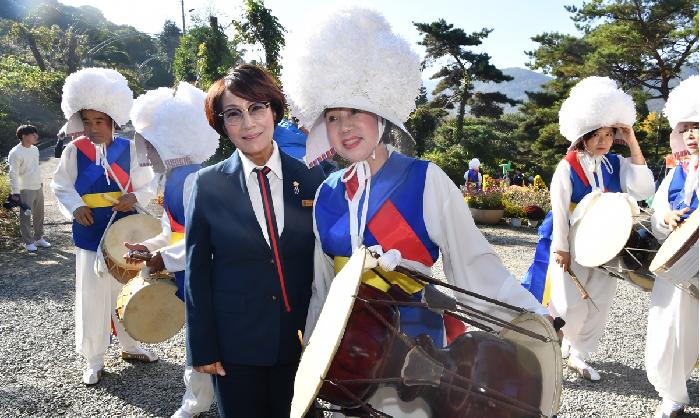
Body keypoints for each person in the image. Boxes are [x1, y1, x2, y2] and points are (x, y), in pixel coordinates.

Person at [281, 6, 551, 416]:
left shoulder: (426, 180)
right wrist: (316, 361)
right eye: (333, 117)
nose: (345, 126)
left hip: (421, 359)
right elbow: (323, 290)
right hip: (350, 363)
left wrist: (532, 316)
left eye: (356, 110)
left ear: (381, 112)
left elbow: (475, 264)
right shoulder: (327, 195)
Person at [185, 64, 325, 418]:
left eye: (256, 108)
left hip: (300, 340)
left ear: (274, 110)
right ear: (221, 124)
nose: (248, 124)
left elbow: (323, 259)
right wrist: (202, 347)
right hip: (235, 347)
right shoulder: (208, 184)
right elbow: (196, 270)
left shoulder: (310, 176)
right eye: (234, 114)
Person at [522, 76, 655, 382]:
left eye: (609, 134)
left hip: (609, 243)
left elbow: (644, 187)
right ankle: (555, 342)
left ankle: (579, 355)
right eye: (597, 134)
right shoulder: (567, 166)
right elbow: (558, 209)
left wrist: (631, 138)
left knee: (599, 302)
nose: (604, 141)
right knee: (569, 304)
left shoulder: (615, 165)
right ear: (583, 134)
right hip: (573, 242)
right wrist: (562, 248)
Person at [51, 68, 157, 385]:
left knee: (127, 290)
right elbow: (60, 185)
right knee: (92, 294)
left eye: (99, 121)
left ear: (112, 120)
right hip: (88, 232)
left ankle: (130, 344)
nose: (93, 127)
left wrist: (134, 197)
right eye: (87, 121)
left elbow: (148, 185)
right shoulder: (75, 150)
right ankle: (94, 358)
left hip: (123, 231)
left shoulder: (130, 149)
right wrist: (77, 206)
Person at [123, 82, 220, 418]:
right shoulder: (173, 179)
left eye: (150, 146)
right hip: (190, 270)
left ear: (167, 143)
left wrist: (163, 257)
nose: (146, 154)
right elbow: (172, 233)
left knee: (204, 338)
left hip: (207, 274)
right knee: (202, 337)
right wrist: (147, 247)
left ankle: (196, 404)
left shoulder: (194, 179)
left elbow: (206, 240)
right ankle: (200, 399)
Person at [646, 75, 699, 418]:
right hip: (678, 261)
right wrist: (666, 218)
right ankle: (672, 394)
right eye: (688, 128)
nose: (692, 135)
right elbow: (658, 208)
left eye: (699, 127)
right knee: (670, 324)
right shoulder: (676, 171)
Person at [7, 124, 50, 252]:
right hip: (24, 189)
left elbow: (35, 168)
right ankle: (28, 242)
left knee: (39, 214)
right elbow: (13, 173)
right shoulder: (15, 153)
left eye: (35, 133)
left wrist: (40, 183)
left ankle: (38, 238)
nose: (36, 136)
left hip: (38, 186)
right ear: (24, 136)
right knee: (26, 216)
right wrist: (15, 192)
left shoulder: (35, 149)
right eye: (33, 134)